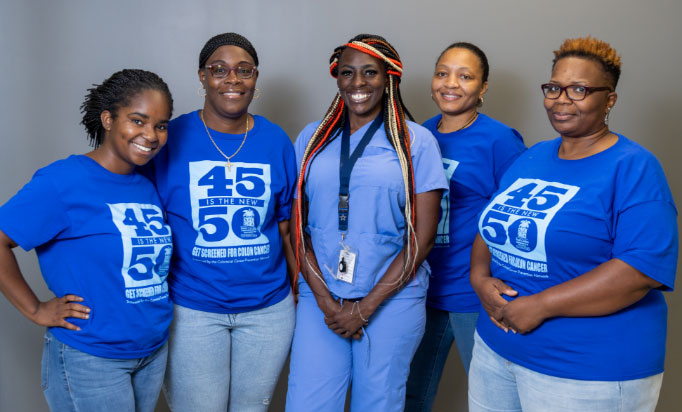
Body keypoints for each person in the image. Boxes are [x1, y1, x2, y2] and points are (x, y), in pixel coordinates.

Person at [468, 36, 678, 412]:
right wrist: (479, 279)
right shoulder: (532, 156)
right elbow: (491, 221)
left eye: (579, 89)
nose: (561, 99)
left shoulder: (634, 167)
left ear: (609, 99)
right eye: (554, 88)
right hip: (496, 352)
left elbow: (639, 270)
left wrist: (541, 305)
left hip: (586, 367)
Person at [285, 34, 448, 411]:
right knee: (308, 402)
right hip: (320, 295)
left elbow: (422, 239)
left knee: (377, 402)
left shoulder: (417, 142)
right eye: (347, 73)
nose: (357, 83)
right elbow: (297, 228)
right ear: (337, 78)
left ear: (390, 77)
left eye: (369, 72)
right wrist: (327, 302)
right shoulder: (311, 139)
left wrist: (365, 307)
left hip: (392, 298)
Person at [0, 69, 174, 412]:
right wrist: (36, 309)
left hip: (151, 351)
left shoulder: (146, 184)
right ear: (108, 119)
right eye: (138, 120)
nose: (151, 135)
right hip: (92, 356)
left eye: (161, 125)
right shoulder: (63, 182)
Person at [145, 32, 296, 412]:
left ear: (255, 78)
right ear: (202, 76)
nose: (232, 79)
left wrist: (300, 293)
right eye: (219, 70)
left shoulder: (276, 140)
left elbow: (285, 227)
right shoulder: (170, 136)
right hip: (192, 307)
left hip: (268, 310)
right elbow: (151, 219)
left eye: (243, 70)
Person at [405, 42, 525, 412]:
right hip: (420, 290)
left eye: (465, 75)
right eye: (442, 73)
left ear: (483, 87)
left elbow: (515, 215)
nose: (450, 83)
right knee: (409, 397)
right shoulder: (418, 135)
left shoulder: (500, 140)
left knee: (494, 401)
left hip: (474, 297)